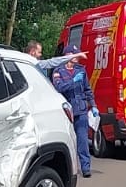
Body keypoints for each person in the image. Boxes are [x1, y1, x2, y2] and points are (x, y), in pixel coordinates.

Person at [35, 46, 94, 178]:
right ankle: (70, 169)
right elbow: (59, 87)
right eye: (75, 54)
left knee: (83, 140)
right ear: (68, 55)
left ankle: (86, 168)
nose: (77, 57)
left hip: (80, 109)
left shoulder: (81, 70)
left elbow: (87, 89)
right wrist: (73, 82)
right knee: (69, 141)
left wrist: (93, 106)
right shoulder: (58, 71)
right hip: (66, 111)